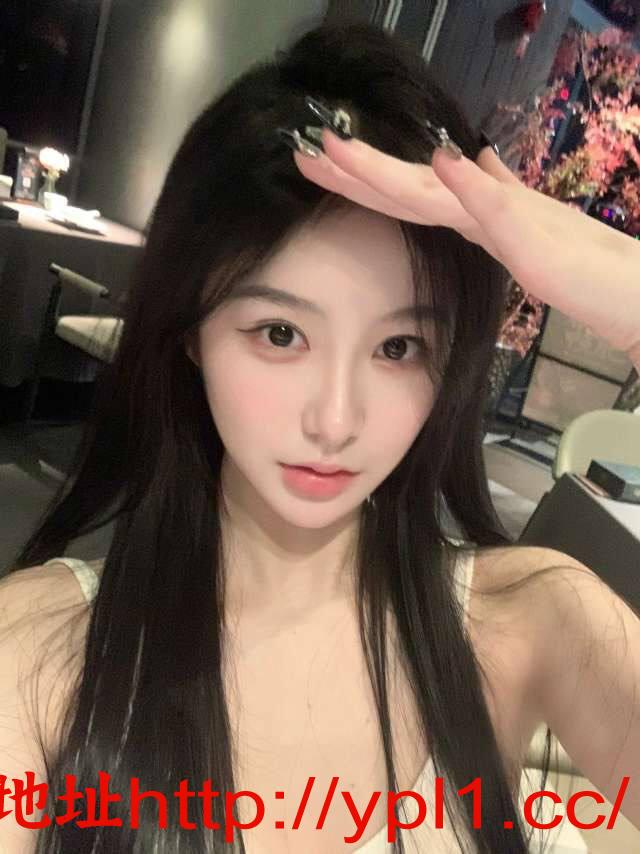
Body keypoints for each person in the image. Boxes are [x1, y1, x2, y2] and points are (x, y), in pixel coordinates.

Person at [0, 20, 638, 854]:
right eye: (280, 334)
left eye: (398, 347)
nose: (335, 422)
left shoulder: (531, 620)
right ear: (192, 331)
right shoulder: (39, 655)